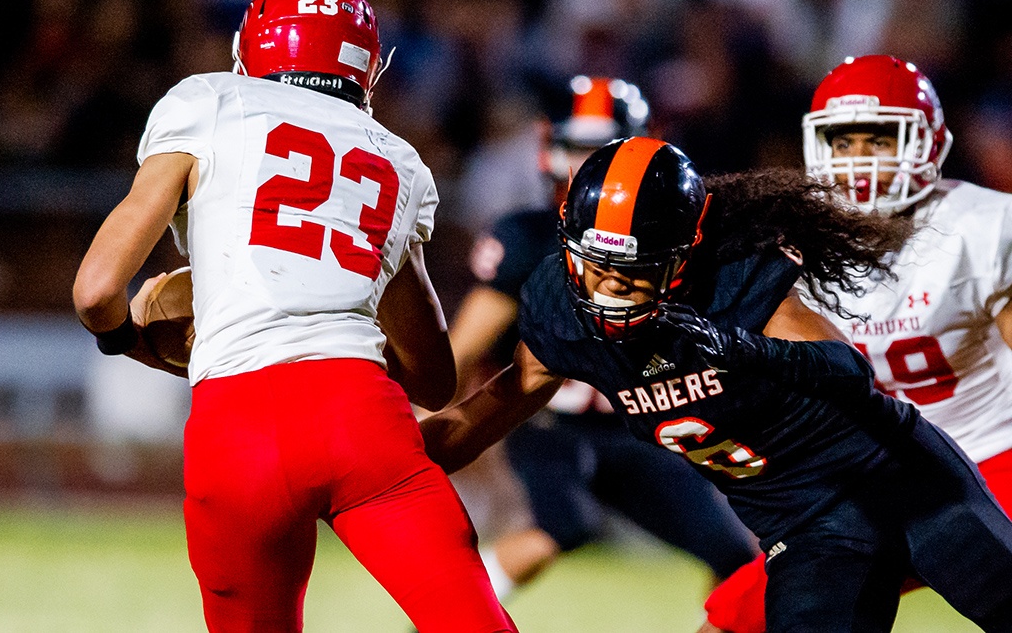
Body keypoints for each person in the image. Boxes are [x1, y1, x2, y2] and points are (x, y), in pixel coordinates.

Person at [72, 0, 515, 633]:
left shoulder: (209, 101)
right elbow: (433, 375)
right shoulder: (397, 160)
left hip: (237, 426)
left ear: (252, 48)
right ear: (366, 65)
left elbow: (96, 291)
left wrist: (130, 342)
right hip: (363, 421)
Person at [419, 136, 1012, 632]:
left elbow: (851, 372)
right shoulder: (558, 308)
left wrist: (737, 347)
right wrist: (385, 471)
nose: (607, 290)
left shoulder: (735, 279)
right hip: (805, 528)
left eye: (633, 273)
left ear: (685, 255)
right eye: (595, 266)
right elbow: (481, 415)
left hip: (903, 483)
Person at [700, 55, 1012, 633]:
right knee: (731, 620)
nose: (861, 160)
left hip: (990, 458)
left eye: (882, 138)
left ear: (928, 144)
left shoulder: (983, 228)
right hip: (865, 475)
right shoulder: (786, 243)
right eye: (844, 143)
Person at [449, 75, 757, 601]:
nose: (588, 167)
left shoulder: (683, 244)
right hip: (549, 424)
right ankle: (443, 612)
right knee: (559, 527)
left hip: (640, 426)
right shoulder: (528, 238)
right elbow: (466, 347)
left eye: (601, 150)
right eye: (578, 148)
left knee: (740, 564)